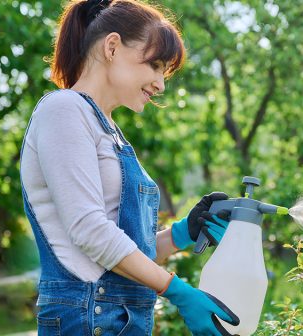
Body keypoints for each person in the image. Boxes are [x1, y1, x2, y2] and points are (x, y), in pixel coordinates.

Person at [19, 0, 239, 335]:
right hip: (86, 318)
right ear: (112, 46)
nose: (161, 84)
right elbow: (91, 233)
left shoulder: (110, 132)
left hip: (116, 319)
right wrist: (179, 292)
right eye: (155, 66)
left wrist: (182, 234)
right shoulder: (64, 110)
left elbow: (124, 255)